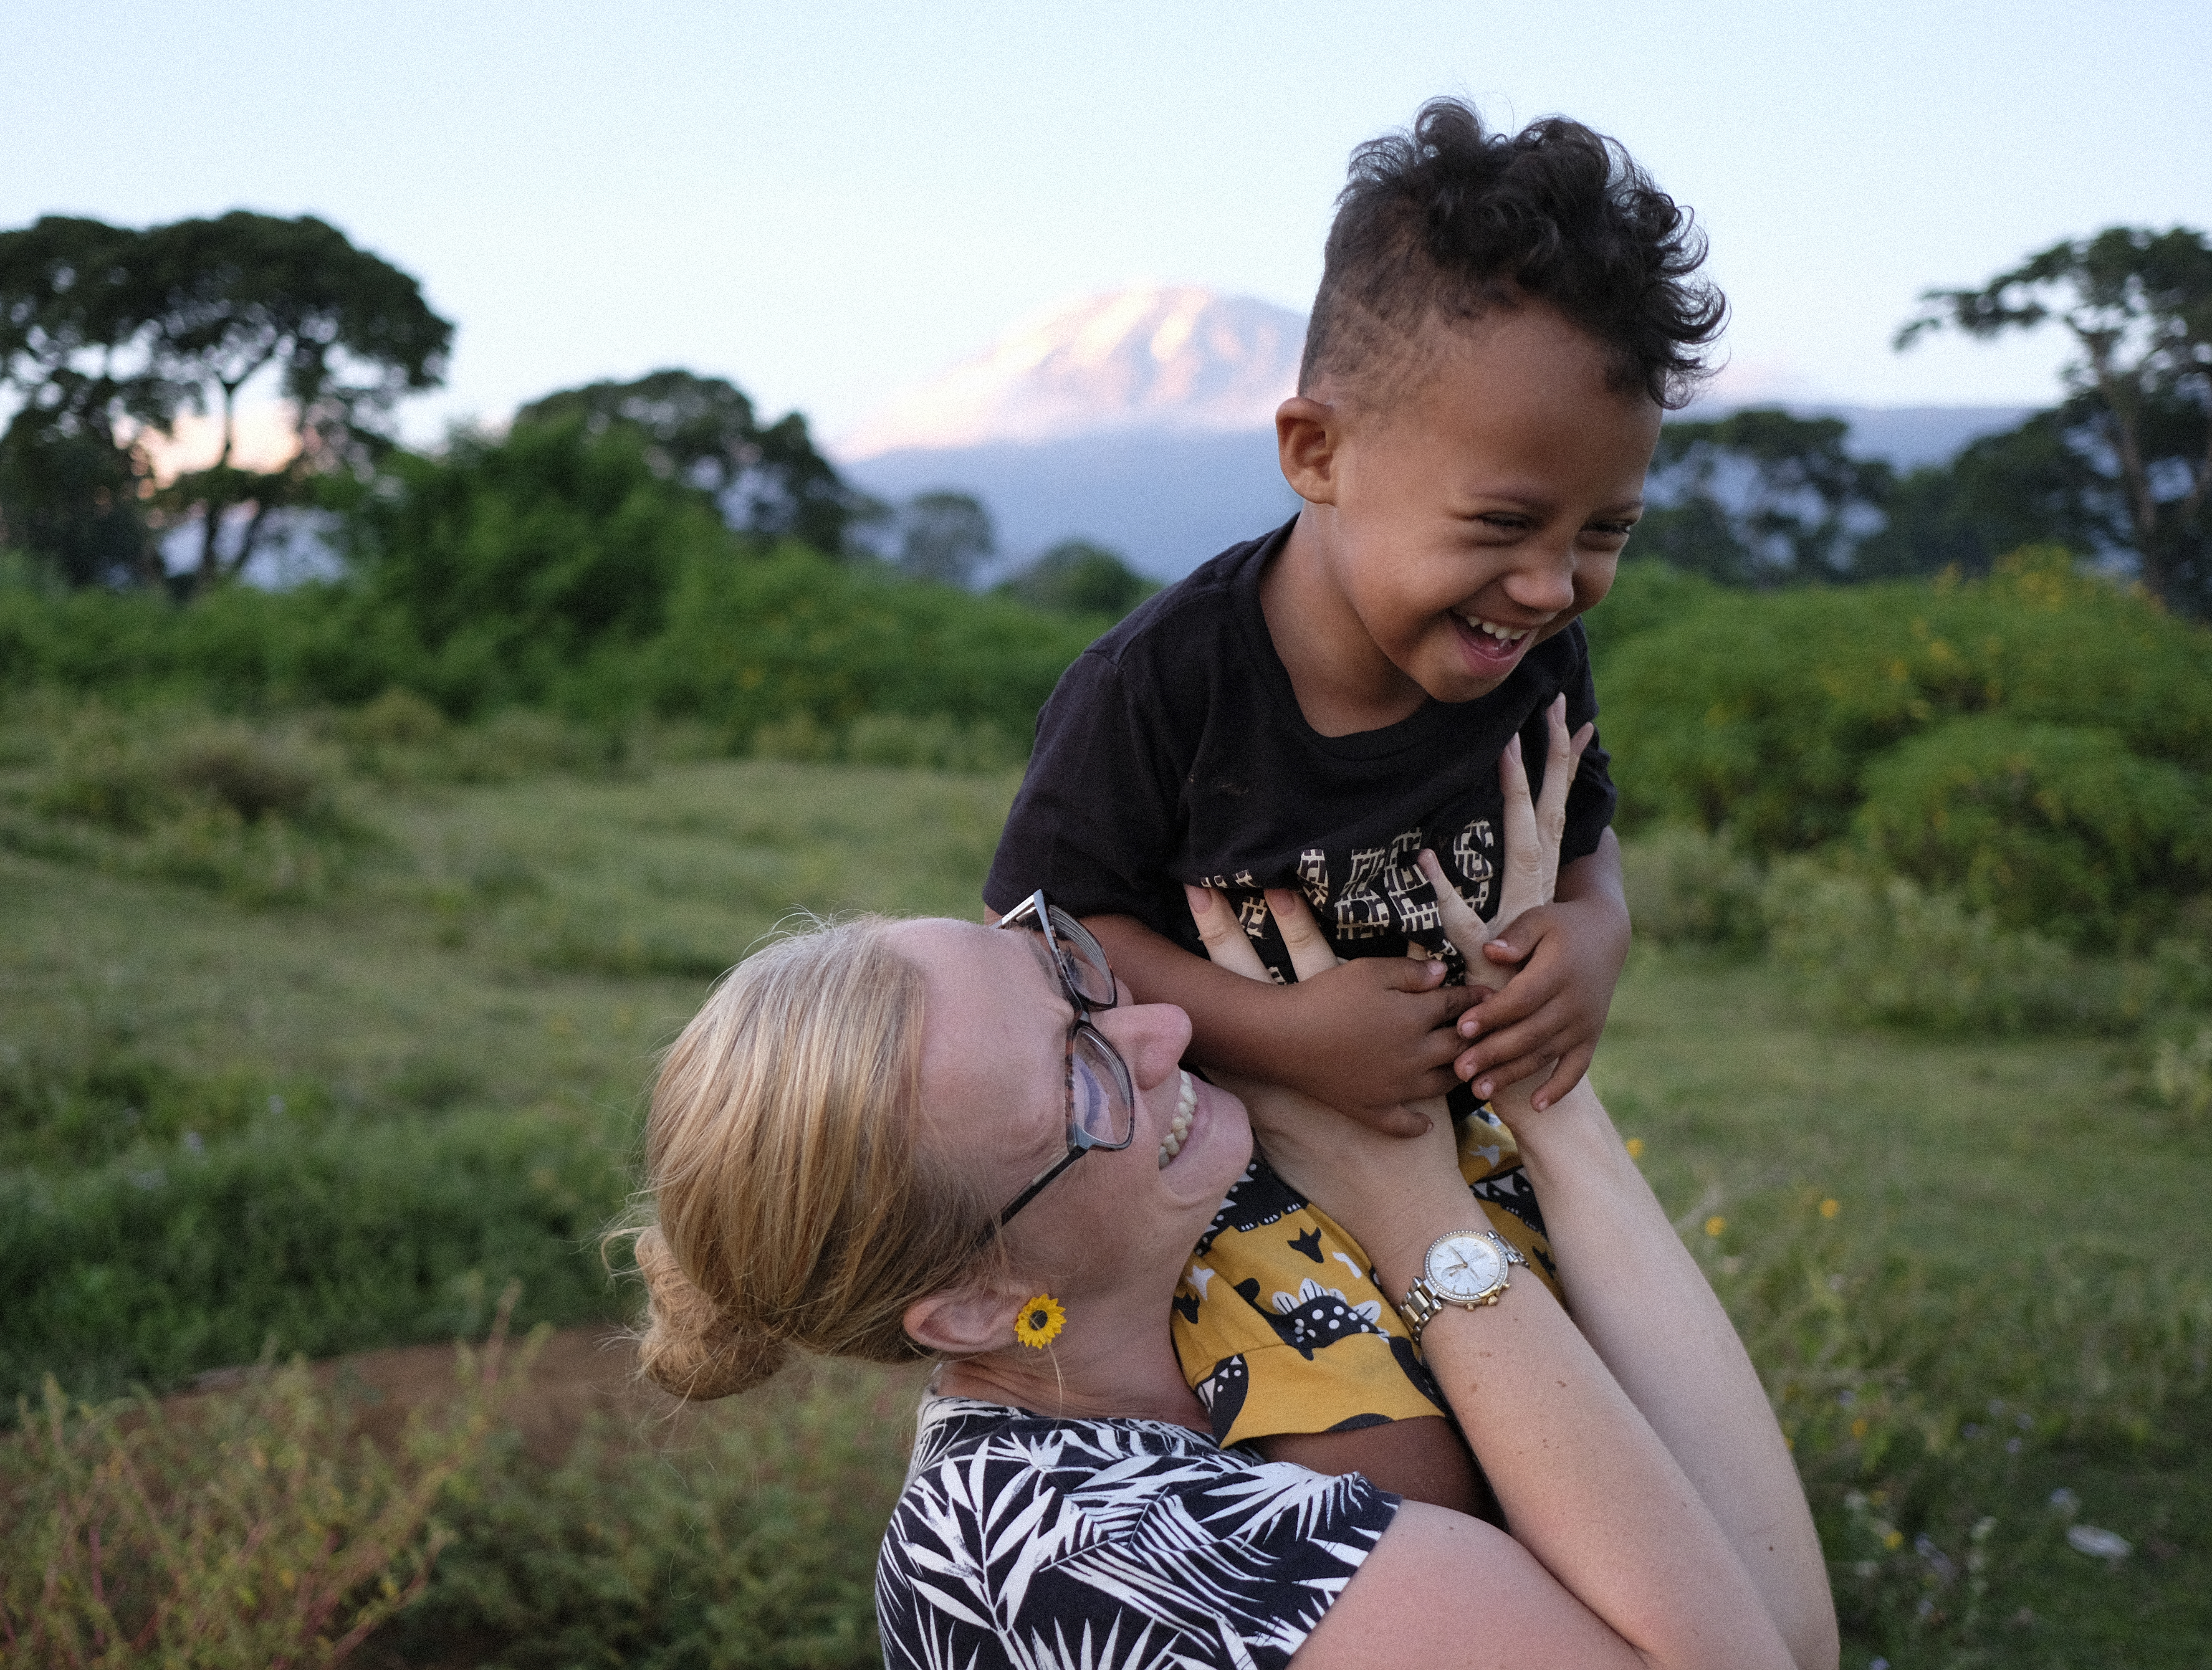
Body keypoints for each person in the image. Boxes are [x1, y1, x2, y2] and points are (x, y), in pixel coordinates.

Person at [627, 788, 1836, 1669]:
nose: (1163, 1033)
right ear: (978, 1301)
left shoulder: (1227, 1281)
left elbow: (1769, 1625)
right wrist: (1424, 1222)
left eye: (1072, 975)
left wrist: (1539, 1090)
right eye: (1083, 1081)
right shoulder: (1068, 1545)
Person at [982, 95, 1724, 1503]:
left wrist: (1595, 937)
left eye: (1604, 532)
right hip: (1235, 1176)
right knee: (1416, 1494)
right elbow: (1047, 929)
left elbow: (1586, 842)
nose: (1554, 586)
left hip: (1480, 1154)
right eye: (1506, 524)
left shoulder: (1537, 657)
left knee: (1630, 1466)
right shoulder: (1165, 683)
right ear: (1317, 453)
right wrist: (1284, 1033)